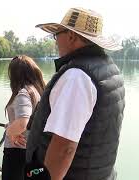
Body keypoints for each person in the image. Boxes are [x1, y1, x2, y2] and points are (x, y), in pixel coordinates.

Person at [25, 7, 125, 180]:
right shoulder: (109, 69)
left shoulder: (77, 77)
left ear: (71, 36)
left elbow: (65, 148)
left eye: (57, 35)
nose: (55, 41)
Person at [2, 55, 45, 180]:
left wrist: (10, 132)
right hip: (33, 150)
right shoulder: (38, 90)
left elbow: (22, 123)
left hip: (17, 151)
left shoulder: (23, 93)